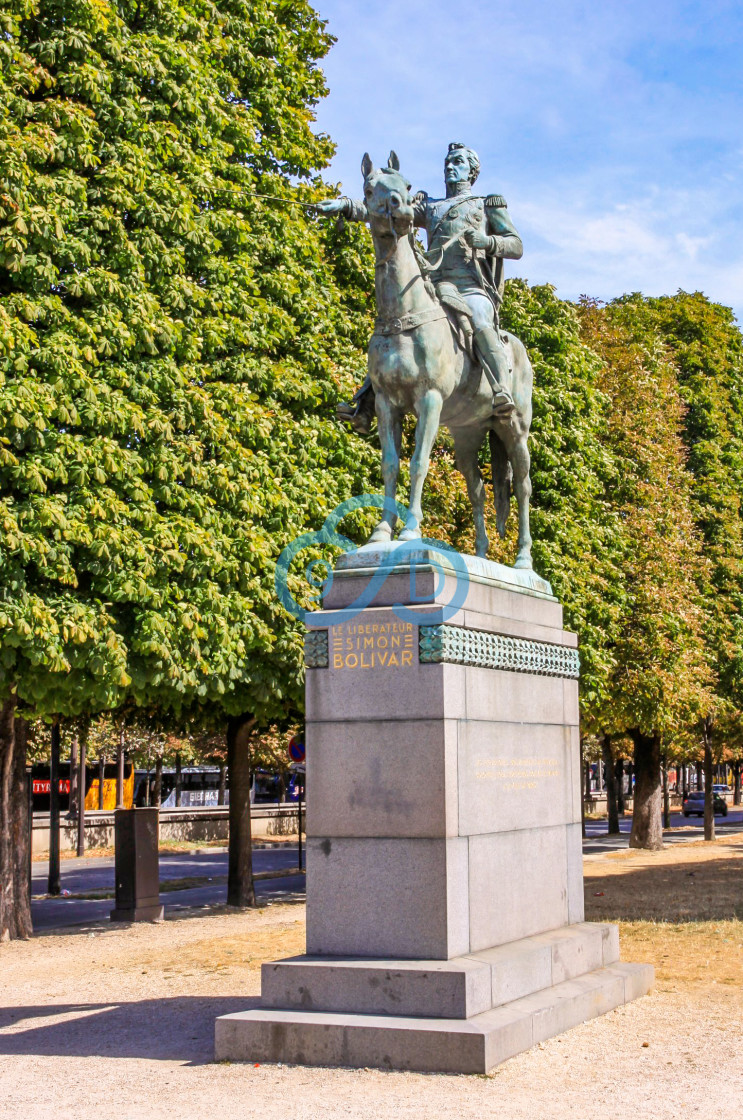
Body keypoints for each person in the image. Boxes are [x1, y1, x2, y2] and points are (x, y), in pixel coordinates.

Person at [318, 142, 523, 431]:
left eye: (459, 162)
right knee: (394, 325)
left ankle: (501, 389)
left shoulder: (485, 204)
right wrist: (348, 207)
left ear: (472, 170)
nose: (450, 167)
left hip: (470, 287)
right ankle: (366, 403)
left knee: (478, 318)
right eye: (448, 162)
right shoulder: (429, 207)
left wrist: (489, 242)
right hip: (434, 286)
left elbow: (515, 245)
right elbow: (384, 211)